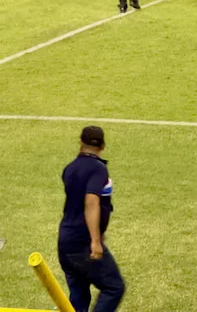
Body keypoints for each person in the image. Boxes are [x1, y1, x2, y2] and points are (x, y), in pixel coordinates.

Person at [58, 125, 126, 312]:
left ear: (80, 142)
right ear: (102, 146)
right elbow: (91, 201)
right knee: (114, 287)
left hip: (66, 241)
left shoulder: (69, 169)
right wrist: (95, 240)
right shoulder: (98, 169)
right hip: (83, 242)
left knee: (79, 296)